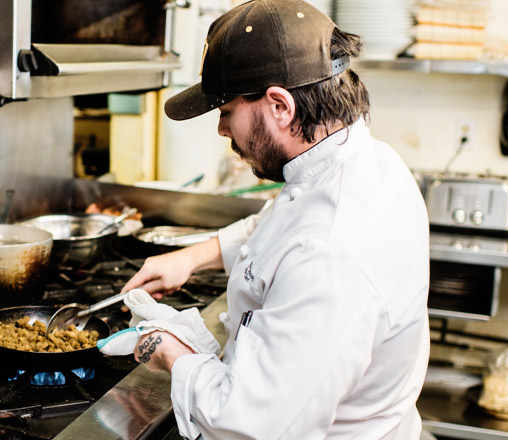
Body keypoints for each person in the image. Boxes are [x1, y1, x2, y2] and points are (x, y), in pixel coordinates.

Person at [118, 0, 431, 438]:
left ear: (281, 106)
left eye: (226, 113)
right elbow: (279, 222)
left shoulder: (330, 252)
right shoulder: (360, 160)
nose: (222, 131)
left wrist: (169, 350)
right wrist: (192, 257)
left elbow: (251, 426)